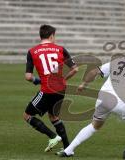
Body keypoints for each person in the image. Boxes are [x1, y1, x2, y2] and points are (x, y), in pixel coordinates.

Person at [56, 41, 125, 159]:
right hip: (118, 100)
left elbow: (94, 71)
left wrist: (83, 84)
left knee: (95, 125)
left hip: (102, 98)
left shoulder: (117, 61)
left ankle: (68, 150)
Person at [23, 24, 78, 152]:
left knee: (27, 115)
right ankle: (68, 149)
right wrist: (63, 79)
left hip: (47, 90)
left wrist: (37, 80)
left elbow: (28, 76)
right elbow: (75, 69)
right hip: (60, 89)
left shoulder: (32, 51)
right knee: (54, 117)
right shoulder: (60, 49)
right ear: (51, 36)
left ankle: (53, 136)